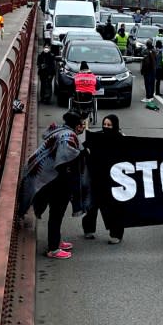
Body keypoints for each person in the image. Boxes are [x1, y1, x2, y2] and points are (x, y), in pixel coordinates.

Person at [18, 111, 90, 259]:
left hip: (49, 179)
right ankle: (53, 249)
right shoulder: (68, 138)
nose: (84, 127)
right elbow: (64, 162)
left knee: (57, 214)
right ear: (77, 126)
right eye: (82, 124)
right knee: (56, 213)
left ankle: (56, 240)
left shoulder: (60, 132)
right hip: (55, 182)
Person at [82, 114, 125, 244]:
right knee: (92, 206)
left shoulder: (120, 139)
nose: (106, 127)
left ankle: (116, 234)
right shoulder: (97, 137)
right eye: (104, 125)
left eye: (109, 125)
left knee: (112, 208)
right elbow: (86, 148)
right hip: (95, 177)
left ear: (114, 126)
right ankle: (88, 230)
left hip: (112, 180)